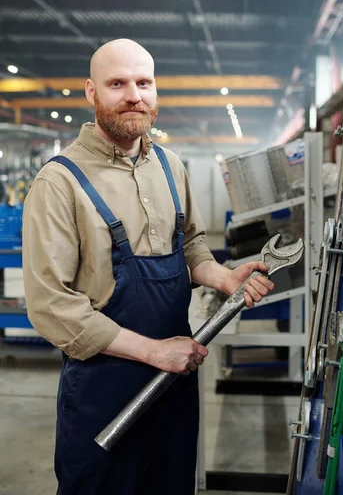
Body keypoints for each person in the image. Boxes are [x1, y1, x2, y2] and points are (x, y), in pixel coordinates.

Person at [22, 39, 274, 495]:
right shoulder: (58, 183)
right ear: (91, 92)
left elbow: (191, 243)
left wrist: (222, 275)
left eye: (144, 82)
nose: (134, 95)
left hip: (174, 384)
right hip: (103, 389)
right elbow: (51, 306)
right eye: (117, 83)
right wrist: (154, 352)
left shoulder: (170, 166)